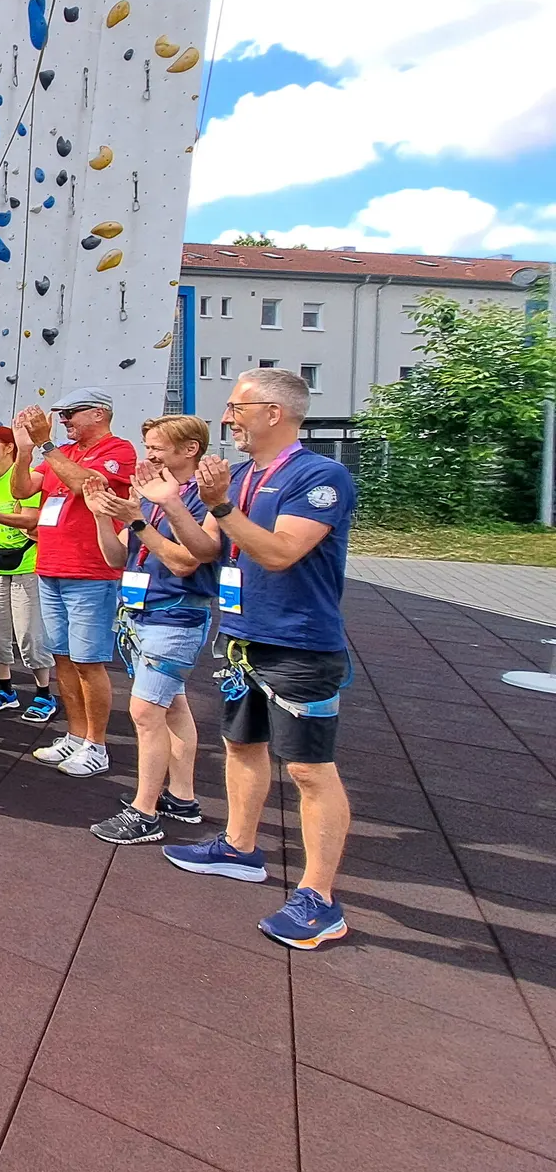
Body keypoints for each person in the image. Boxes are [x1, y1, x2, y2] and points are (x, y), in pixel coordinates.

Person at [166, 370, 357, 949]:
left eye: (236, 406)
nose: (228, 417)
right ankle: (239, 846)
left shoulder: (319, 476)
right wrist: (167, 504)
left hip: (299, 644)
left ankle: (320, 898)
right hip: (244, 636)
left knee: (306, 768)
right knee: (240, 745)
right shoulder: (243, 475)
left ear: (274, 412)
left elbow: (278, 553)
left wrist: (221, 505)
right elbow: (201, 552)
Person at [84, 416, 220, 844]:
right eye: (148, 445)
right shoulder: (154, 497)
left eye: (158, 446)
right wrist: (102, 518)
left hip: (176, 616)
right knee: (172, 705)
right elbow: (115, 558)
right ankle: (181, 798)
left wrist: (140, 521)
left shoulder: (201, 500)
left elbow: (186, 561)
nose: (150, 454)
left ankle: (143, 813)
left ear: (190, 449)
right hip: (146, 614)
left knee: (145, 712)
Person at [8, 388, 137, 778]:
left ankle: (97, 743)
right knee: (62, 657)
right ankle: (76, 735)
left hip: (90, 571)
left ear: (99, 413)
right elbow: (21, 489)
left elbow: (85, 486)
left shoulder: (119, 450)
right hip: (51, 567)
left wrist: (46, 444)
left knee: (88, 660)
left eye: (71, 414)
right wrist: (24, 451)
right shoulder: (62, 454)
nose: (64, 421)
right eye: (61, 416)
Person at [0, 426, 56, 722]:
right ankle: (6, 689)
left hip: (26, 564)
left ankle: (44, 693)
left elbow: (30, 519)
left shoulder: (24, 477)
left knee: (29, 632)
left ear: (10, 447)